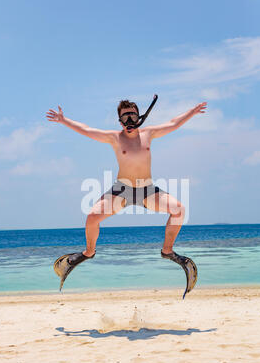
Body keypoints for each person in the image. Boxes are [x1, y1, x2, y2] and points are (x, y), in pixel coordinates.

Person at [46, 97, 207, 296]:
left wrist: (192, 111)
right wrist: (64, 120)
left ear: (139, 116)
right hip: (121, 190)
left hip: (147, 190)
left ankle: (167, 251)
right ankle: (88, 252)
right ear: (120, 120)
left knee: (179, 210)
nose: (129, 119)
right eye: (125, 116)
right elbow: (87, 130)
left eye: (132, 114)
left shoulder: (149, 134)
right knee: (92, 217)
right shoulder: (115, 137)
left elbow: (174, 123)